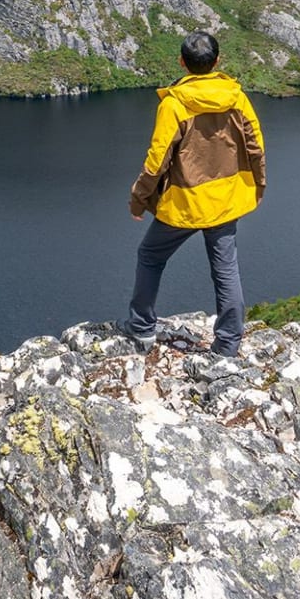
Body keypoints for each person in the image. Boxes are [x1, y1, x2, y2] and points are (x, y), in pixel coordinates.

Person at [121, 31, 266, 357]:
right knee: (226, 269)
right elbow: (255, 144)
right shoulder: (236, 97)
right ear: (217, 62)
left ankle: (142, 329)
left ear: (182, 62)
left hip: (185, 202)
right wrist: (256, 185)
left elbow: (157, 160)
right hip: (226, 199)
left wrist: (138, 200)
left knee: (150, 256)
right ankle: (228, 344)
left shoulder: (174, 105)